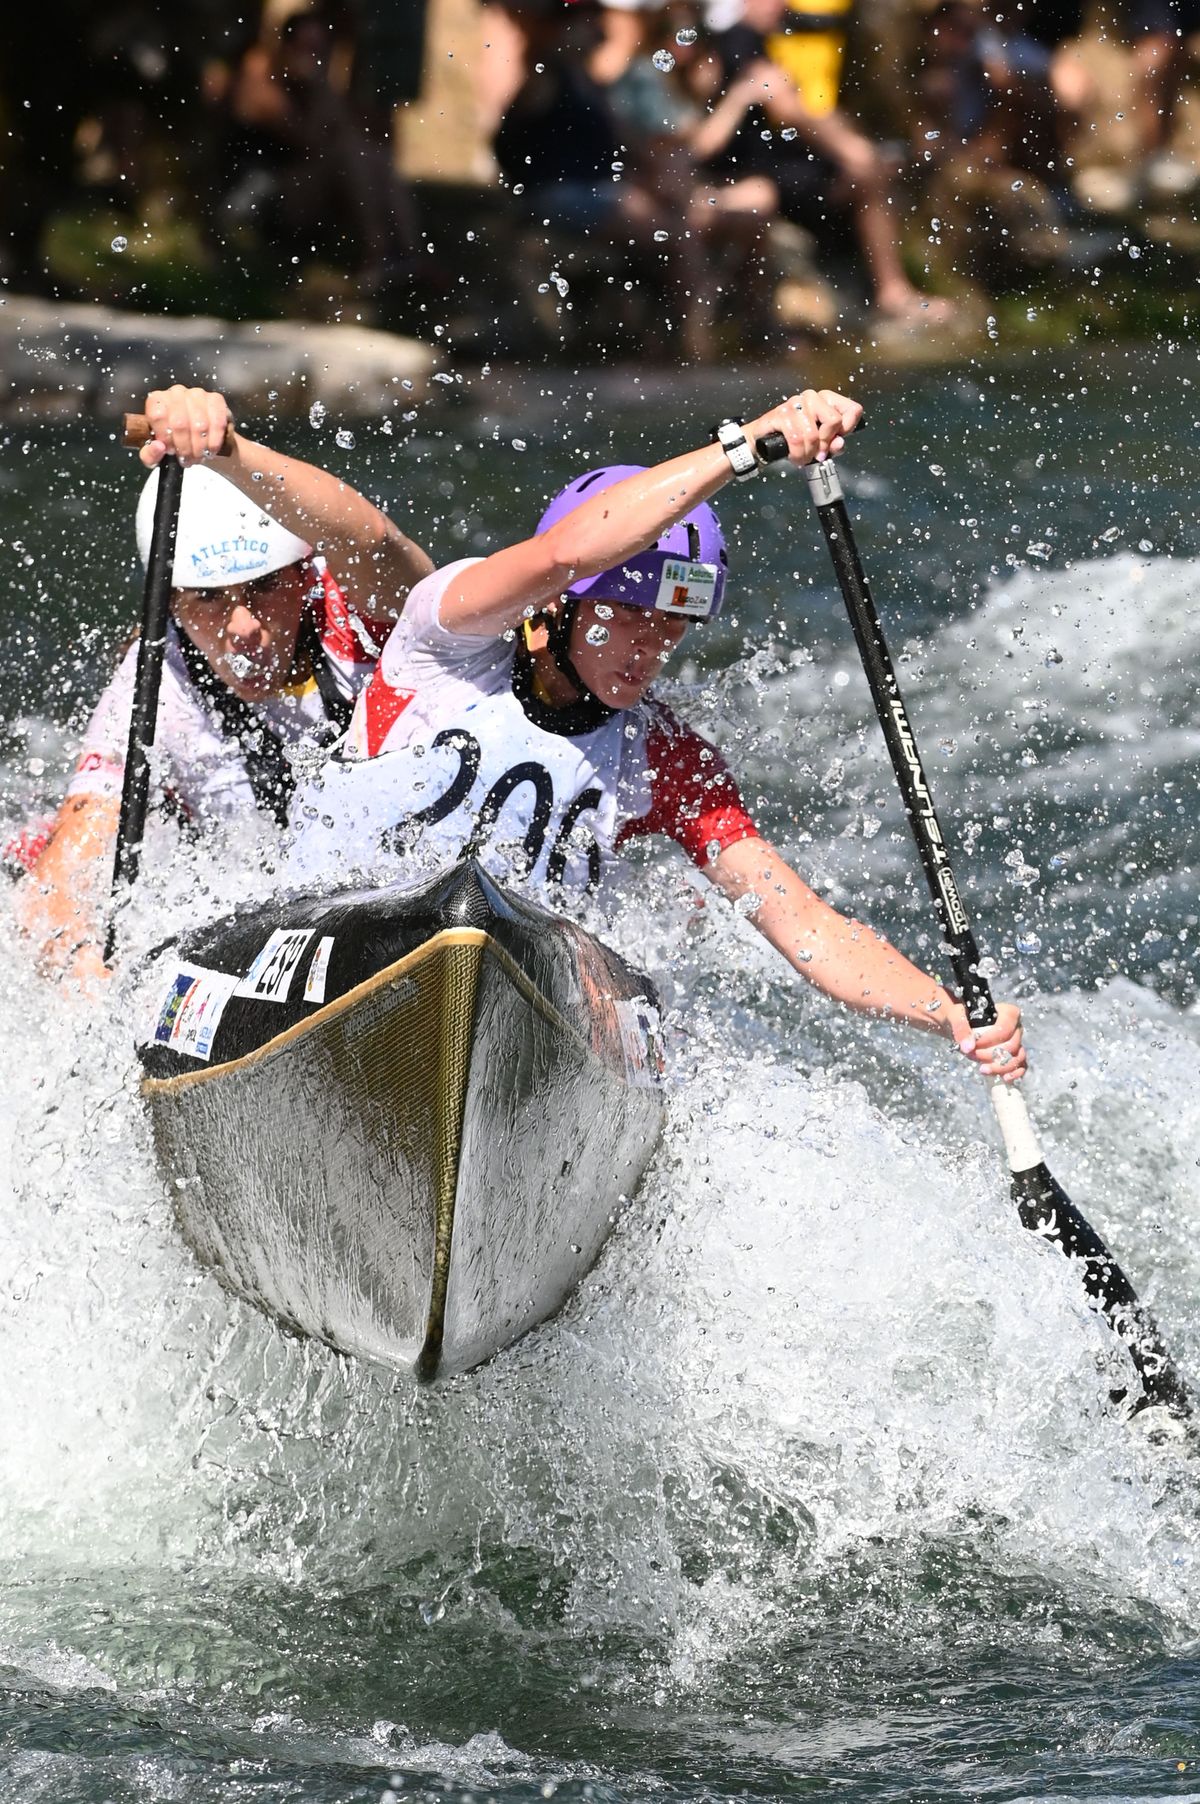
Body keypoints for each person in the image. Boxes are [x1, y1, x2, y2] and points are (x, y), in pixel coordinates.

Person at [257, 385, 1021, 1085]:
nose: (649, 645)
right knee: (468, 912)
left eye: (671, 623)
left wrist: (946, 1011)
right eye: (625, 614)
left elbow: (807, 928)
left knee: (588, 967)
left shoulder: (664, 761)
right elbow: (564, 553)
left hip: (493, 997)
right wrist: (746, 445)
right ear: (556, 607)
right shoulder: (446, 639)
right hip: (328, 944)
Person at [17, 385, 434, 987]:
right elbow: (61, 880)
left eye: (265, 587)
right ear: (175, 607)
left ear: (303, 573)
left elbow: (376, 543)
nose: (243, 628)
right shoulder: (153, 682)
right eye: (208, 600)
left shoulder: (359, 617)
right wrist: (80, 963)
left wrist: (228, 450)